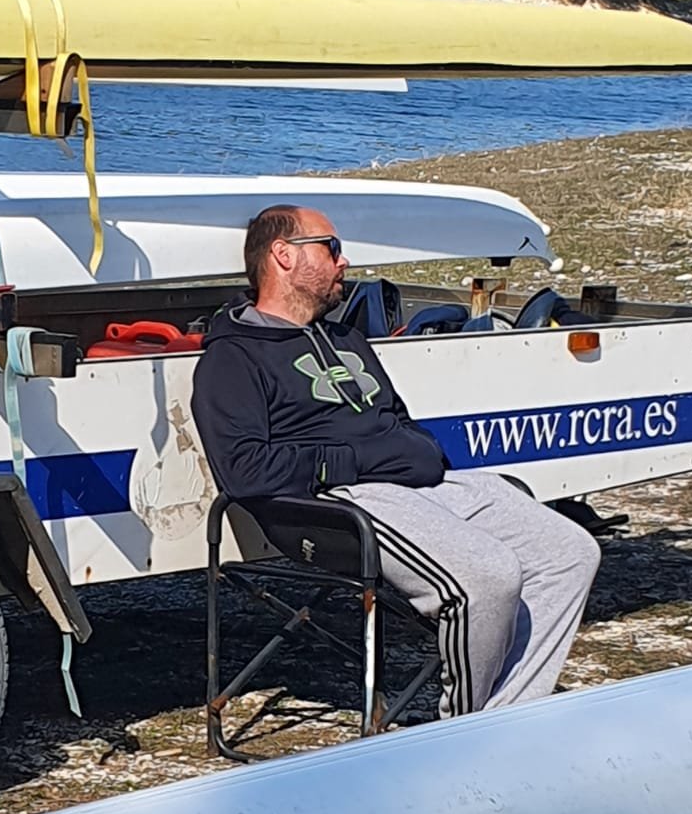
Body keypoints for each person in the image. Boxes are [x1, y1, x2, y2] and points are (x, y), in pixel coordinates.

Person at [190, 204, 601, 716]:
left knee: (569, 551)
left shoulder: (346, 339)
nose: (344, 263)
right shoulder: (232, 358)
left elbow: (397, 422)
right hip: (333, 503)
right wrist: (360, 460)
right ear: (283, 256)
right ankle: (462, 732)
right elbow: (244, 470)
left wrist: (414, 453)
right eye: (331, 248)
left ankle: (509, 714)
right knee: (489, 577)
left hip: (416, 482)